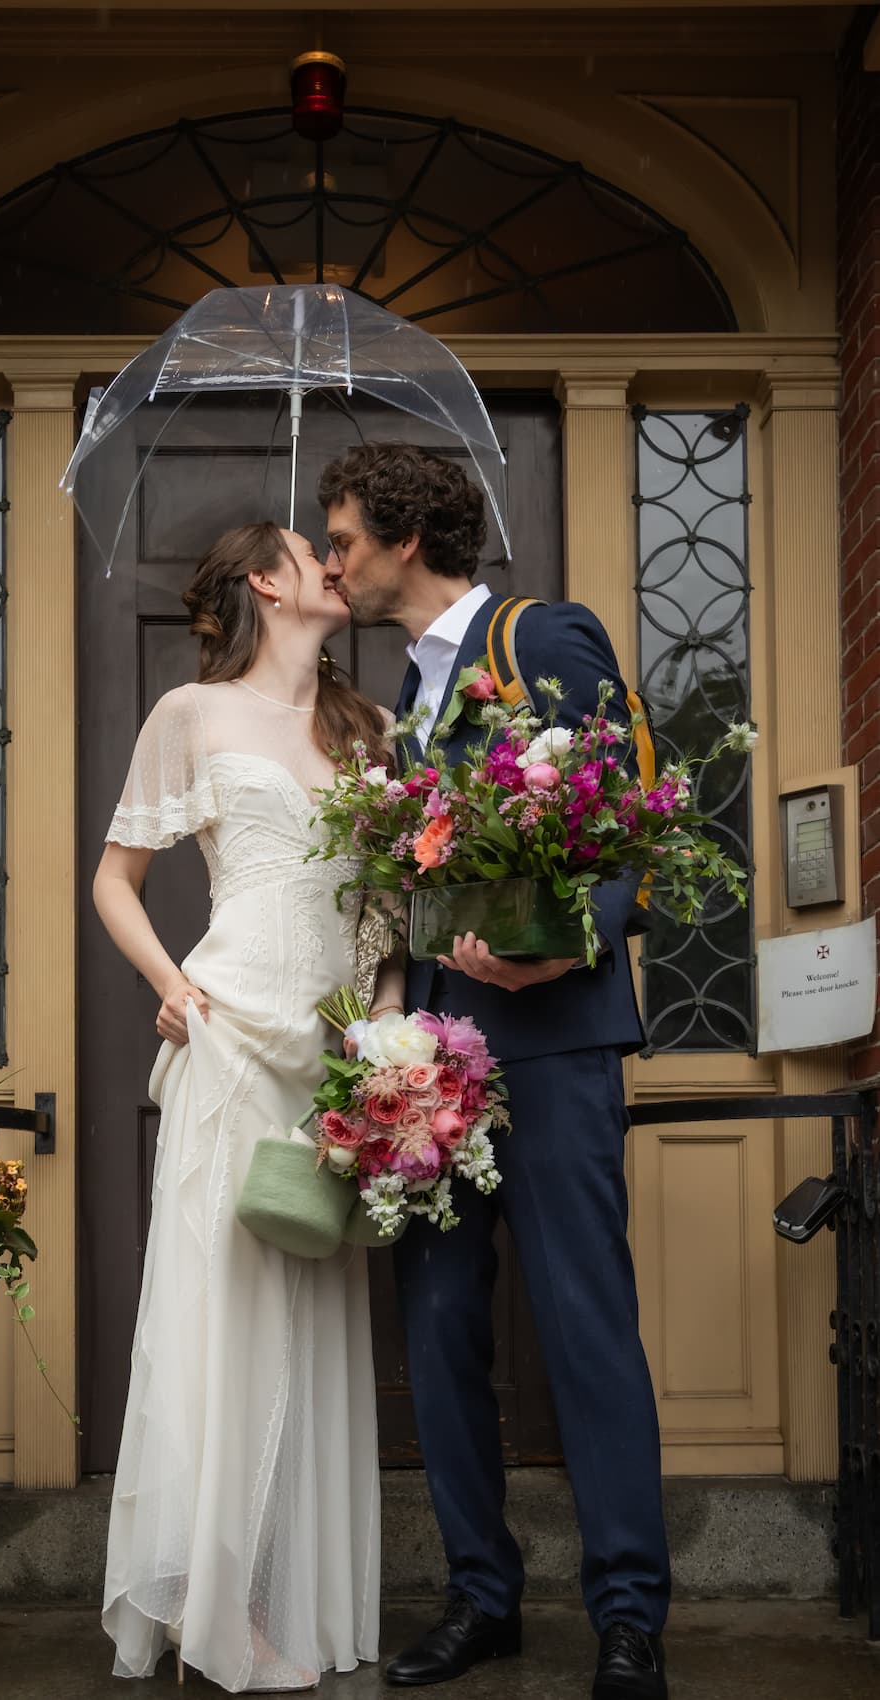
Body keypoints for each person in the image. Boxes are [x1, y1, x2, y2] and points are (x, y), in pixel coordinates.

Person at [318, 444, 671, 1700]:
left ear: (406, 538)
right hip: (433, 1062)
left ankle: (629, 1612)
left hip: (555, 1046)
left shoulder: (539, 637)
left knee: (585, 1329)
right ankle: (481, 1596)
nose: (334, 560)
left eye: (344, 536)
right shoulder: (399, 698)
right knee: (438, 1326)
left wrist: (566, 939)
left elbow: (623, 814)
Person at [94, 522, 386, 1692]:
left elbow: (384, 913)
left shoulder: (366, 730)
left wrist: (389, 1040)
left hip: (327, 1047)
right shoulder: (189, 714)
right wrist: (171, 987)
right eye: (311, 550)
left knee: (307, 1309)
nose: (335, 564)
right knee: (224, 1317)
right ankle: (219, 1606)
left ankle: (294, 1592)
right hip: (228, 1030)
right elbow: (113, 880)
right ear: (264, 581)